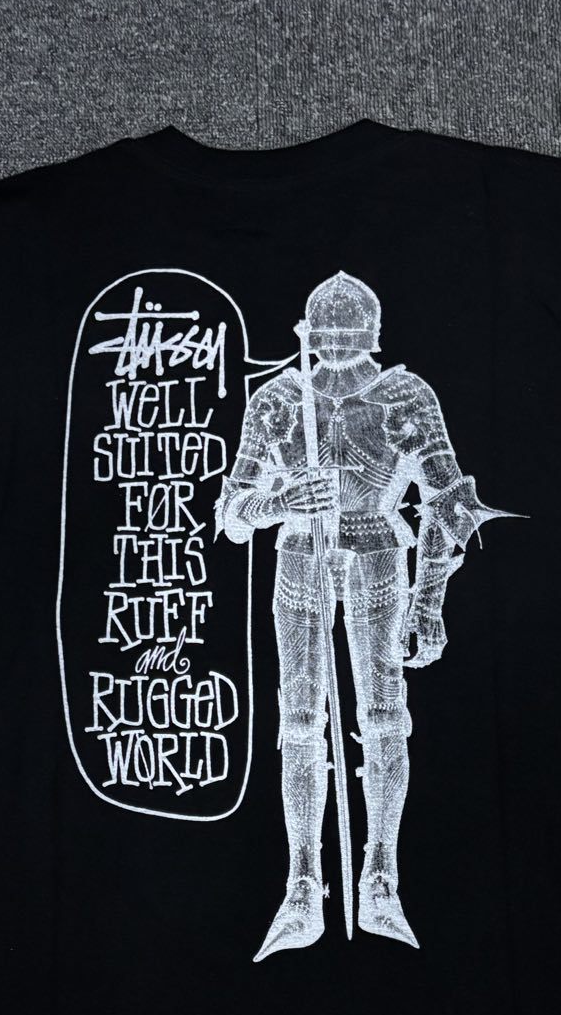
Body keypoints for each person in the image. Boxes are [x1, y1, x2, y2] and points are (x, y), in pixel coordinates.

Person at [215, 271, 515, 961]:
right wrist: (282, 501)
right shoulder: (279, 400)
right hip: (299, 557)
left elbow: (449, 502)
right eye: (331, 344)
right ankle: (301, 883)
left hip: (380, 555)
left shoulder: (405, 396)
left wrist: (430, 602)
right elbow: (232, 513)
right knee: (299, 722)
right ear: (312, 339)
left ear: (371, 339)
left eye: (350, 345)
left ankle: (380, 875)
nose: (340, 361)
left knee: (383, 716)